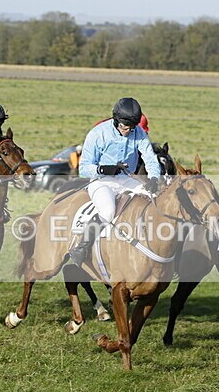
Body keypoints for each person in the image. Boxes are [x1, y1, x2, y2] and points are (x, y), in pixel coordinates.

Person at [69, 97, 161, 266]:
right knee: (108, 210)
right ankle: (82, 247)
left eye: (132, 127)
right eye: (125, 127)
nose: (128, 131)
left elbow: (150, 158)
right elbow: (83, 169)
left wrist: (154, 178)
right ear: (115, 120)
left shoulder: (138, 132)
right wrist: (104, 169)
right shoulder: (97, 134)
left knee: (153, 199)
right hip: (101, 182)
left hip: (127, 180)